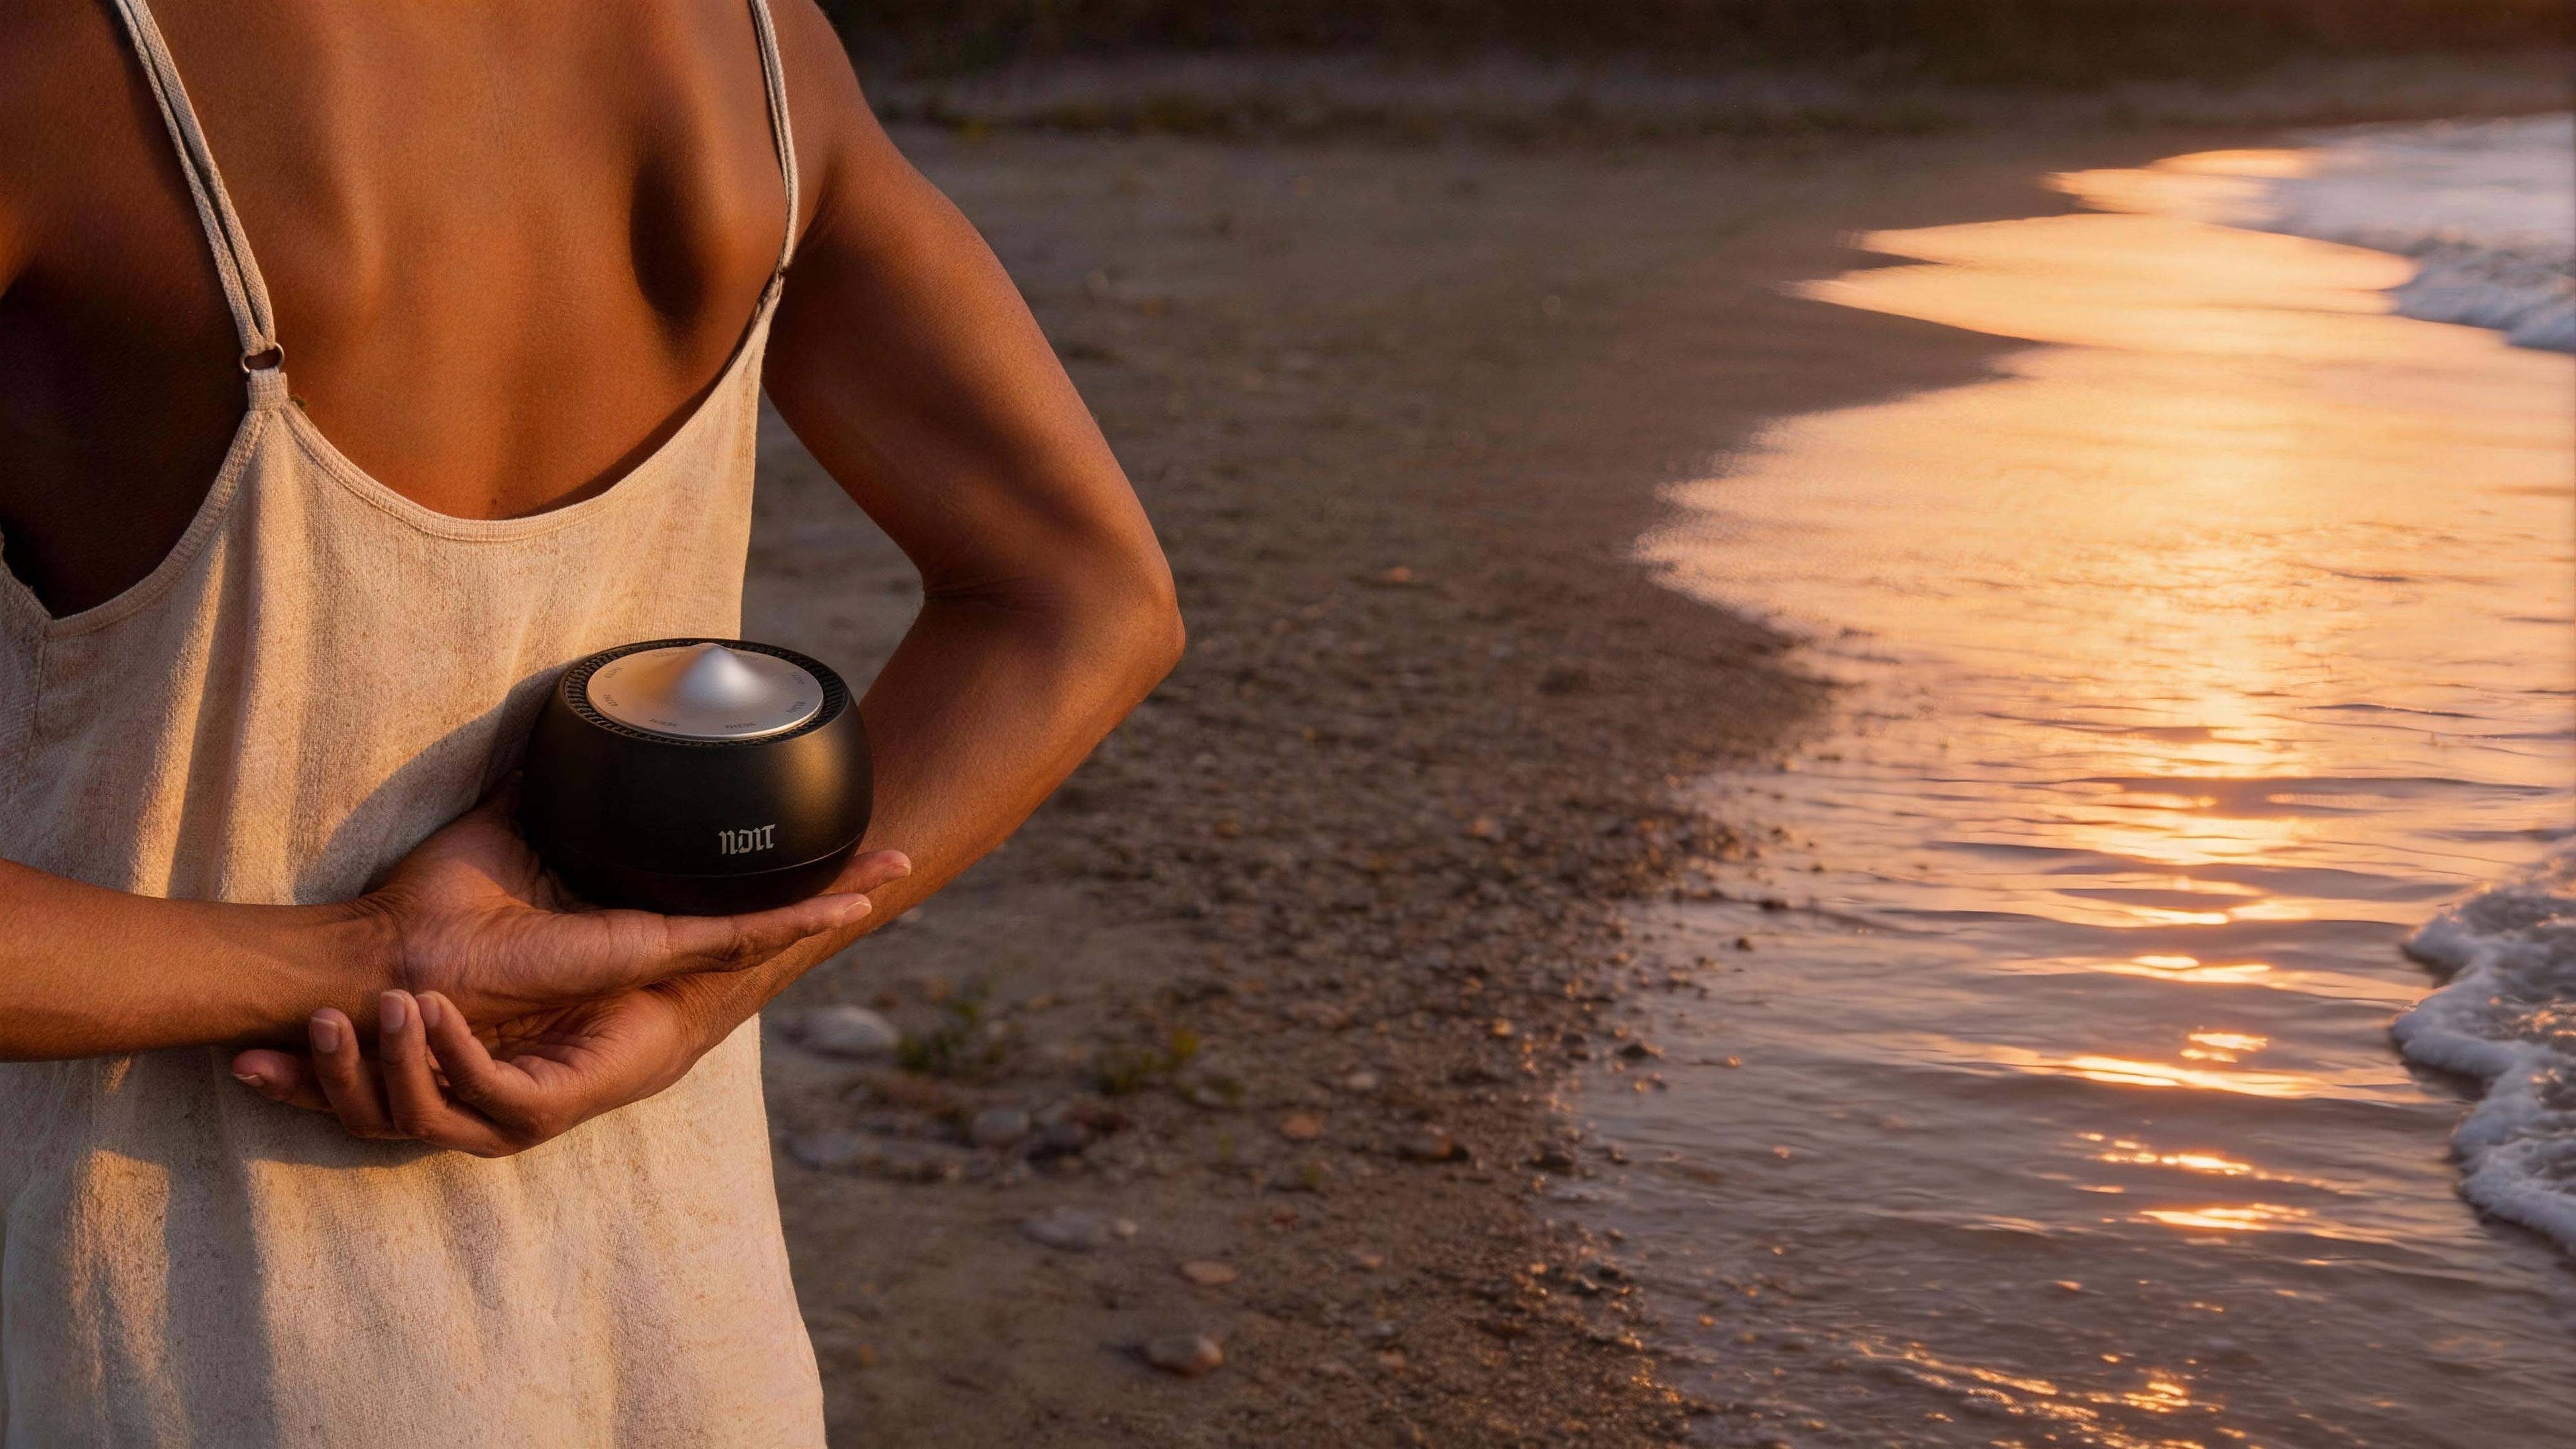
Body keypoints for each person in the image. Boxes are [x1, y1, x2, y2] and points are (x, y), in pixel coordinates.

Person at [0, 0, 1181, 1441]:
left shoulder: (57, 63)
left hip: (170, 1337)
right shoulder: (752, 43)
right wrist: (687, 997)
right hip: (671, 1320)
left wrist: (370, 955)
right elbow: (1087, 600)